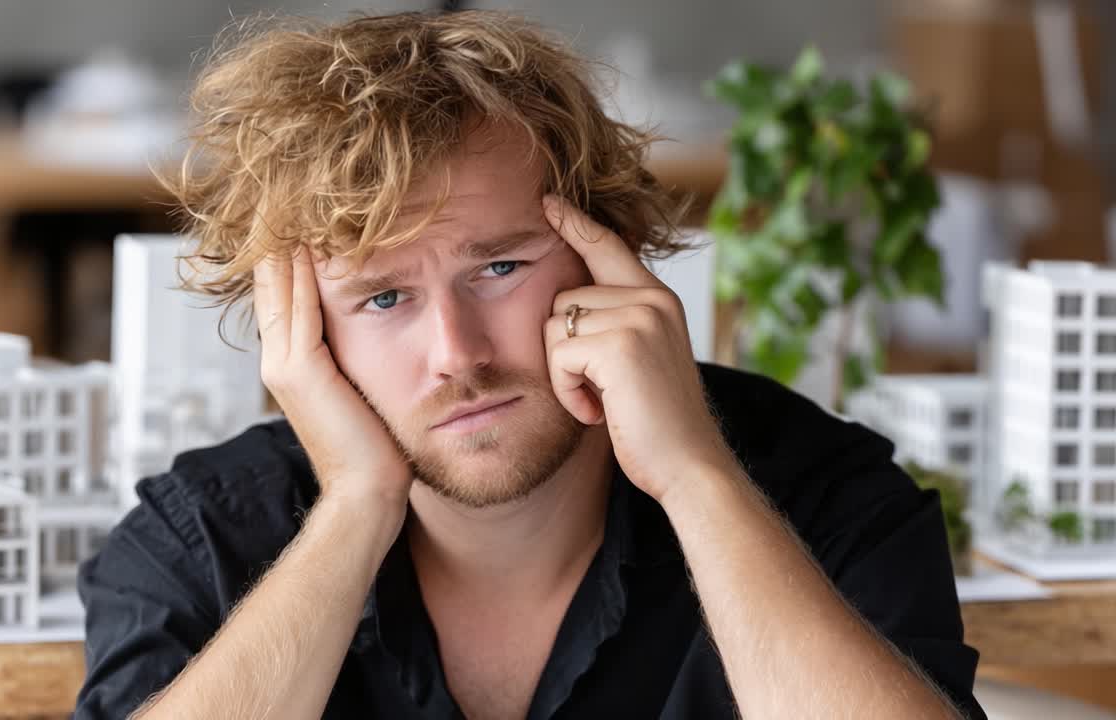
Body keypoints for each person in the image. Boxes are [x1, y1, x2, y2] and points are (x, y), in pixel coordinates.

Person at [75, 10, 984, 719]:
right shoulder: (199, 541)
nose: (457, 356)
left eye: (499, 268)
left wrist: (697, 478)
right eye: (383, 299)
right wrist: (356, 505)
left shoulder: (827, 495)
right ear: (306, 332)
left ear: (609, 252)